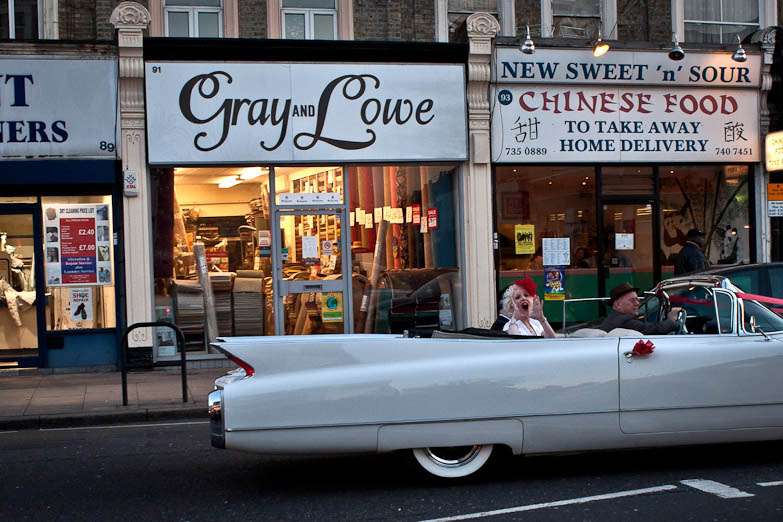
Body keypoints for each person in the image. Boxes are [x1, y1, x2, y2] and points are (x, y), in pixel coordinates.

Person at [599, 282, 682, 335]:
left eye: (638, 299)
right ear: (618, 305)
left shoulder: (614, 318)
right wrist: (672, 320)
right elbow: (654, 329)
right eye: (632, 300)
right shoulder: (624, 321)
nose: (637, 303)